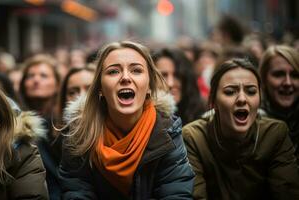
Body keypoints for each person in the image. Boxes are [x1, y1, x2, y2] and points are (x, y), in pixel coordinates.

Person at [58, 41, 195, 199]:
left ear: (149, 86)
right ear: (100, 88)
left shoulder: (169, 132)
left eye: (136, 70)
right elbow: (76, 192)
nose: (125, 77)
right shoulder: (78, 134)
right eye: (113, 71)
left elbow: (176, 194)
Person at [182, 58, 299, 200]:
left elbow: (288, 194)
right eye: (230, 92)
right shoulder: (194, 138)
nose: (242, 99)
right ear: (213, 101)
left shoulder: (275, 134)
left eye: (251, 91)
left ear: (259, 99)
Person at [19, 54, 62, 200]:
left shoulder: (65, 122)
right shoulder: (14, 121)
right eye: (30, 76)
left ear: (57, 85)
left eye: (43, 75)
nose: (36, 80)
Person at [259, 45, 299, 162]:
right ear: (263, 80)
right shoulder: (248, 123)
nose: (287, 82)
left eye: (295, 75)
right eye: (279, 74)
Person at [152, 48, 206, 125]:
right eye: (164, 75)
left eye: (177, 75)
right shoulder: (145, 119)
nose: (170, 83)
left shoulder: (203, 117)